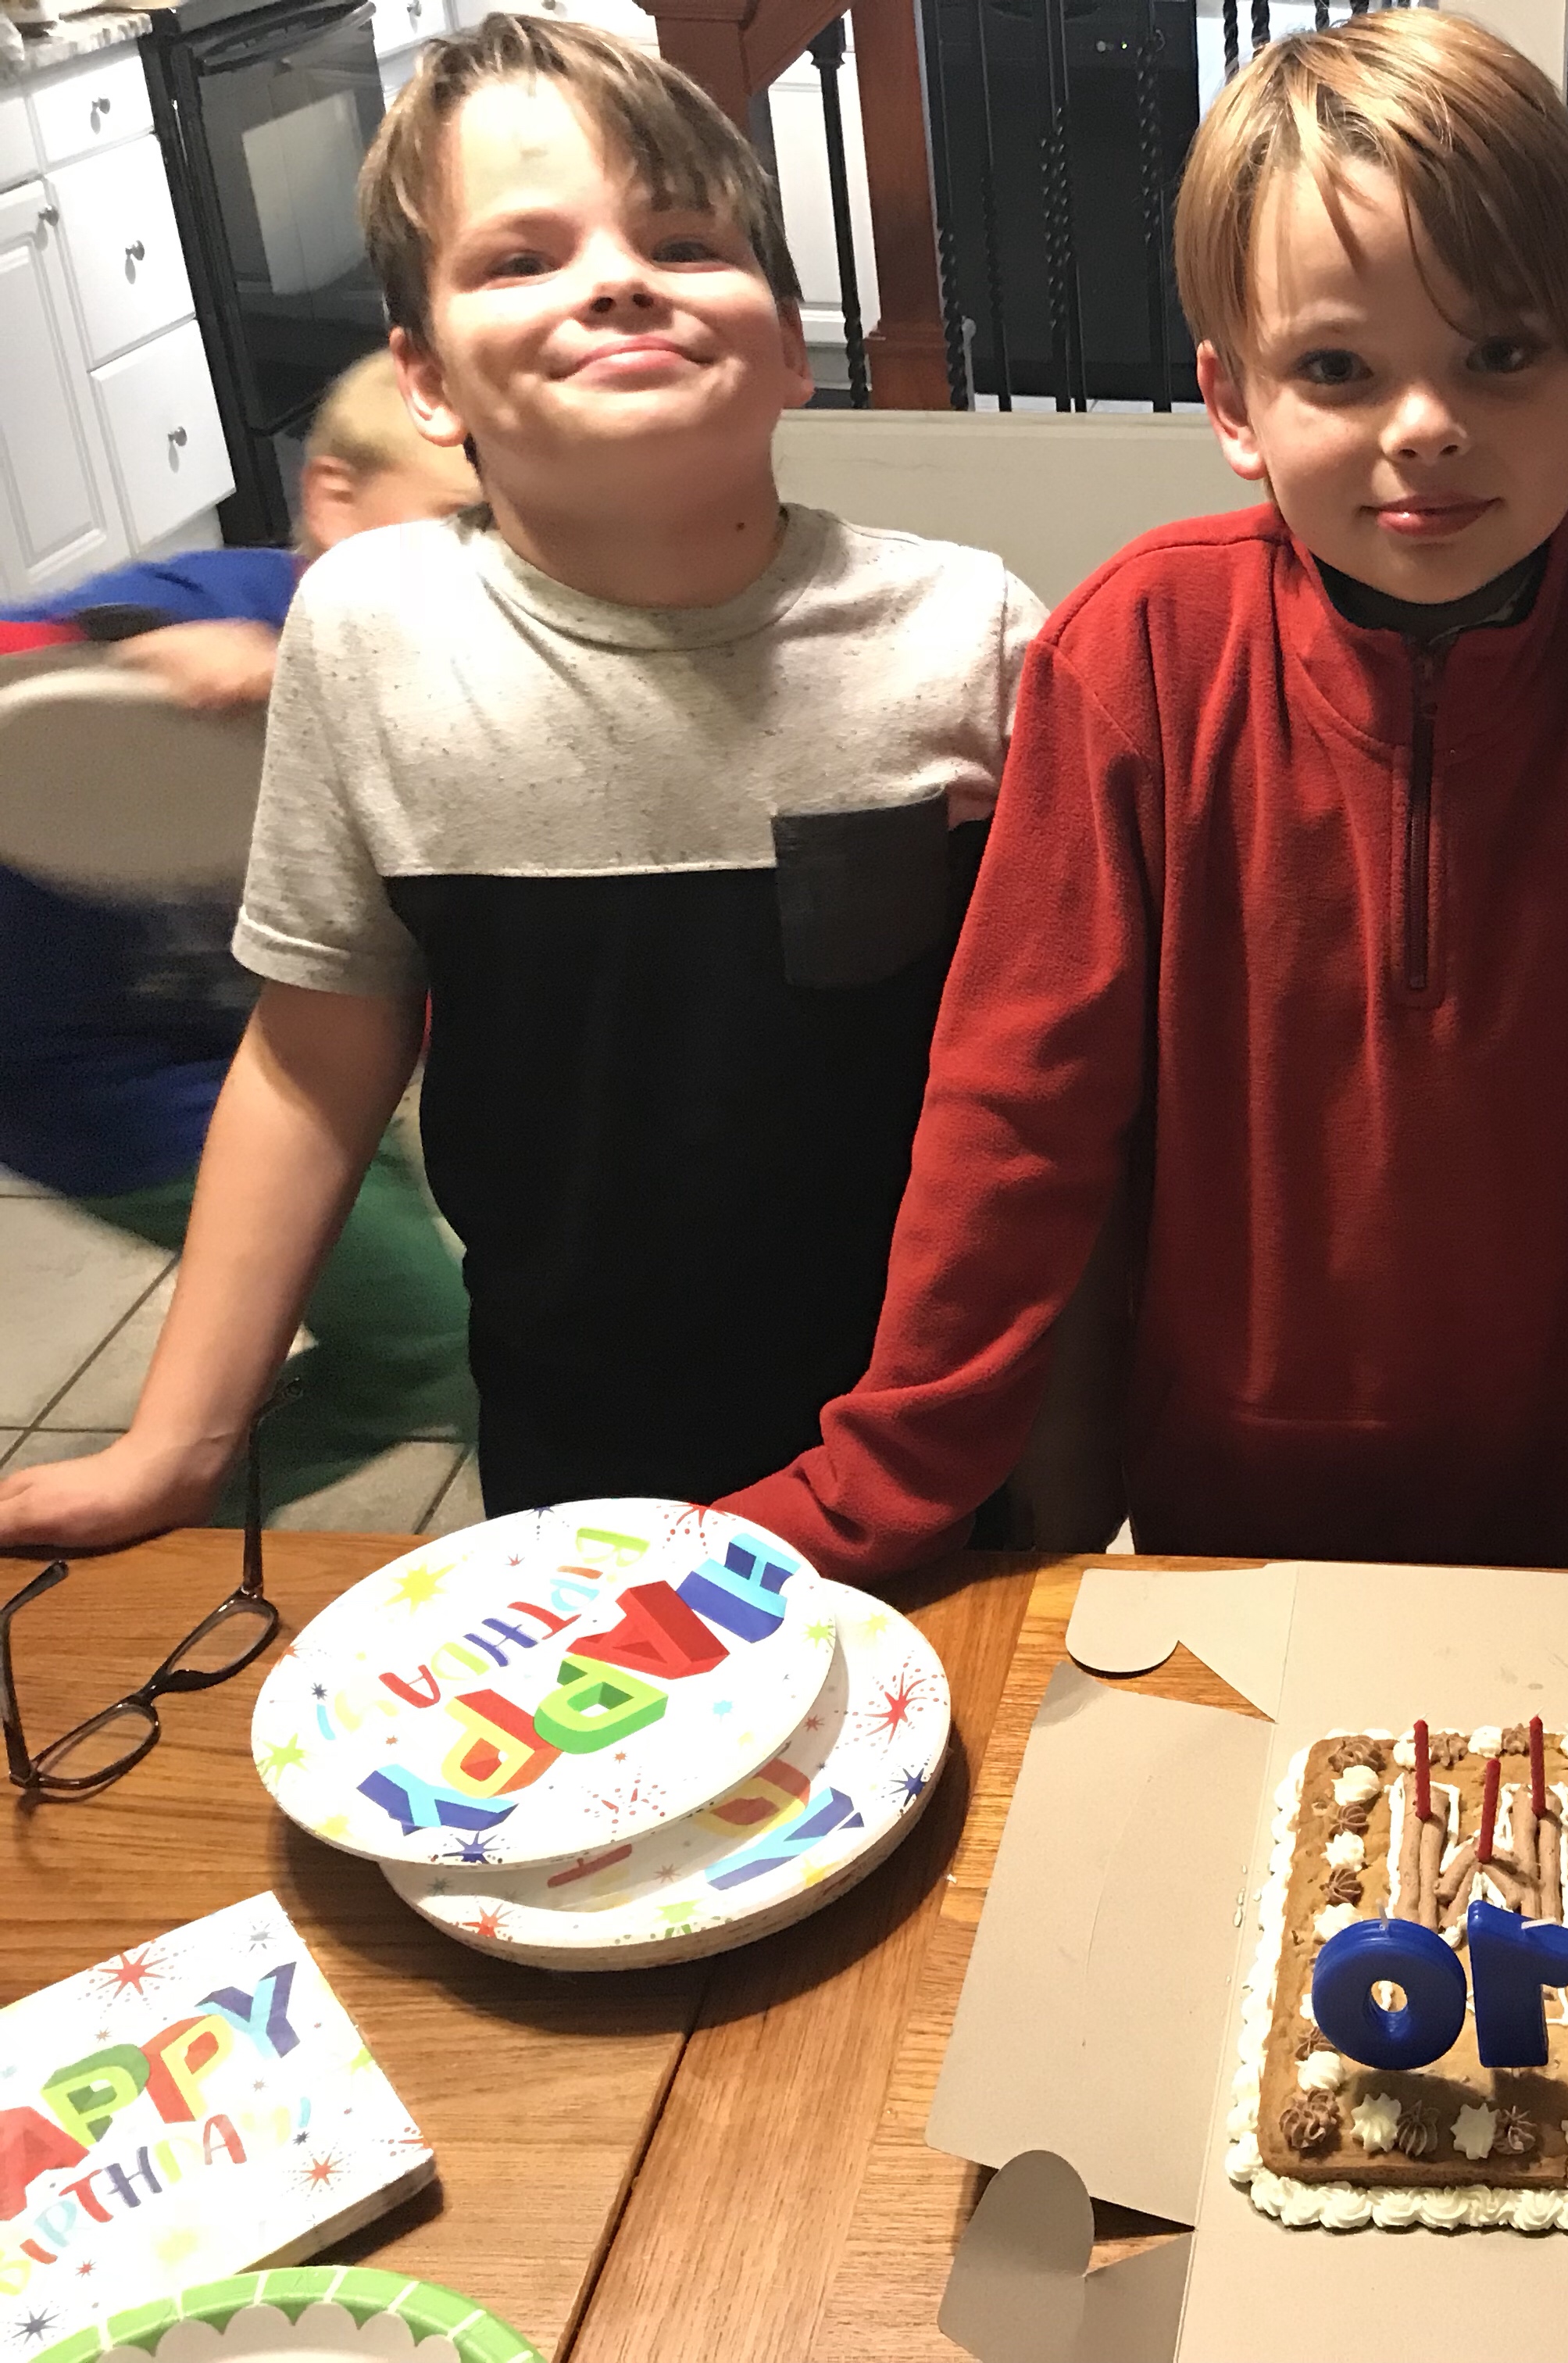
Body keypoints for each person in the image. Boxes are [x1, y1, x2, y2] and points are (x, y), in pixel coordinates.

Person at [719, 13, 1568, 1610]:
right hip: (1224, 1503)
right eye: (1339, 369)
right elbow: (1014, 1117)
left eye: (1498, 354)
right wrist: (882, 1487)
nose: (1425, 424)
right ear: (1233, 403)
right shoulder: (1135, 653)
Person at [0, 14, 1043, 1551]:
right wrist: (174, 1445)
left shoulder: (968, 632)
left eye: (683, 242)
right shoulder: (366, 633)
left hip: (929, 1422)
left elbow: (1070, 1071)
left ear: (785, 339)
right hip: (576, 1425)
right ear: (426, 380)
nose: (617, 280)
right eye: (519, 259)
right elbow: (315, 1051)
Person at [0, 352, 479, 1521]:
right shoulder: (228, 597)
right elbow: (24, 649)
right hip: (115, 1090)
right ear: (333, 497)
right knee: (433, 1346)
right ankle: (139, 1534)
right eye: (458, 528)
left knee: (408, 1298)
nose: (486, 579)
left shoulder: (440, 668)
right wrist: (127, 638)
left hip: (289, 1047)